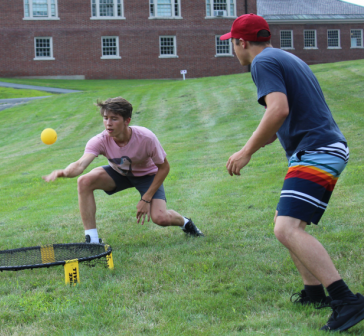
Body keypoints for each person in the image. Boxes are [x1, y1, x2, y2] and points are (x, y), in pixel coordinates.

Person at [222, 14, 364, 332]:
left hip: (317, 150)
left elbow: (278, 109)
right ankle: (314, 293)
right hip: (320, 149)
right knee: (284, 222)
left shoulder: (262, 63)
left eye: (232, 43)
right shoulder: (284, 56)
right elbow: (277, 124)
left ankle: (346, 299)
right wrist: (254, 145)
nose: (233, 49)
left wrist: (245, 152)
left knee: (285, 229)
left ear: (242, 43)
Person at [42, 97, 203, 243]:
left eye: (114, 119)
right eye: (105, 118)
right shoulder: (100, 140)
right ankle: (92, 240)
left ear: (127, 121)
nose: (108, 123)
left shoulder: (146, 138)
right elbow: (80, 164)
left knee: (160, 218)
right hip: (119, 173)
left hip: (148, 176)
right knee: (84, 181)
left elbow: (164, 167)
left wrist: (146, 199)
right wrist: (63, 172)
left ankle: (186, 223)